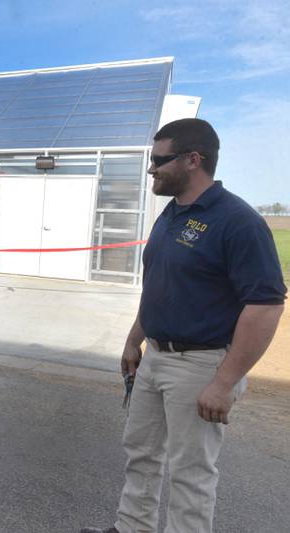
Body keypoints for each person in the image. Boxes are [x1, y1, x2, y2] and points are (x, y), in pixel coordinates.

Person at [81, 118, 286, 533]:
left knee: (190, 473)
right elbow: (159, 284)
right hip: (155, 357)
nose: (151, 169)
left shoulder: (238, 221)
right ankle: (131, 527)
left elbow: (265, 306)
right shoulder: (171, 214)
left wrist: (224, 383)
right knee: (140, 453)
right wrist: (133, 340)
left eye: (159, 160)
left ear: (194, 160)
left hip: (201, 365)